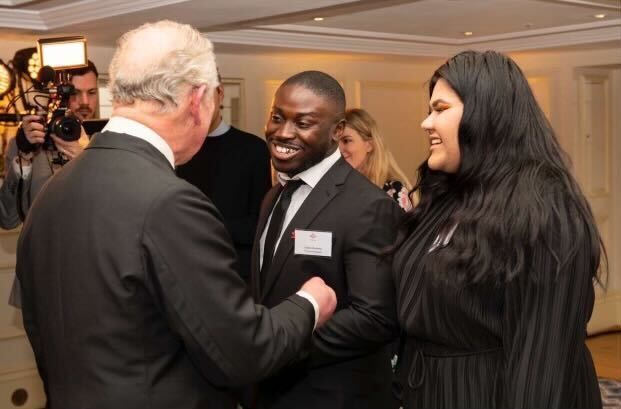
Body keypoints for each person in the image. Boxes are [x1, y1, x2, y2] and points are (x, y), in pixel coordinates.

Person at [15, 20, 336, 409]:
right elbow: (243, 351)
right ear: (198, 99)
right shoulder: (170, 201)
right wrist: (309, 304)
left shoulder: (54, 190)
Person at [392, 50, 604, 409]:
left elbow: (543, 363)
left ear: (485, 114)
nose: (426, 123)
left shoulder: (544, 210)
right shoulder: (447, 194)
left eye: (440, 109)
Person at [249, 71, 401, 409]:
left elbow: (374, 318)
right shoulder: (274, 197)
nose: (283, 133)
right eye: (277, 117)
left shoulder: (368, 206)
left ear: (337, 130)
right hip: (272, 393)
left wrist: (277, 344)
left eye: (303, 123)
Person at [177, 72, 271, 281]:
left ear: (220, 93)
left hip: (236, 274)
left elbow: (260, 224)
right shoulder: (177, 149)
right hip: (185, 271)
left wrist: (206, 226)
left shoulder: (253, 150)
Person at [0, 60, 99, 228]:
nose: (84, 102)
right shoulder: (30, 142)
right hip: (42, 251)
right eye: (74, 93)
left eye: (91, 92)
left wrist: (84, 158)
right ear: (57, 94)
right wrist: (24, 159)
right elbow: (7, 219)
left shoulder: (109, 140)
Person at [339, 108, 413, 211]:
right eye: (335, 142)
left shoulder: (394, 191)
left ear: (369, 145)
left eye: (346, 140)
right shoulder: (336, 189)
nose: (339, 149)